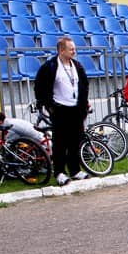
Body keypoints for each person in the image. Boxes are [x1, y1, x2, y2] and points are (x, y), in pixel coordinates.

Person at [34, 35, 90, 185]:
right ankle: (59, 172)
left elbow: (84, 85)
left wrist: (84, 103)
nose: (74, 51)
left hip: (76, 109)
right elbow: (40, 87)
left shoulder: (77, 66)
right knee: (60, 143)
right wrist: (49, 106)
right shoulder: (50, 67)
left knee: (75, 142)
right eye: (71, 49)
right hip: (60, 110)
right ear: (61, 50)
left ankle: (75, 170)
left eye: (74, 49)